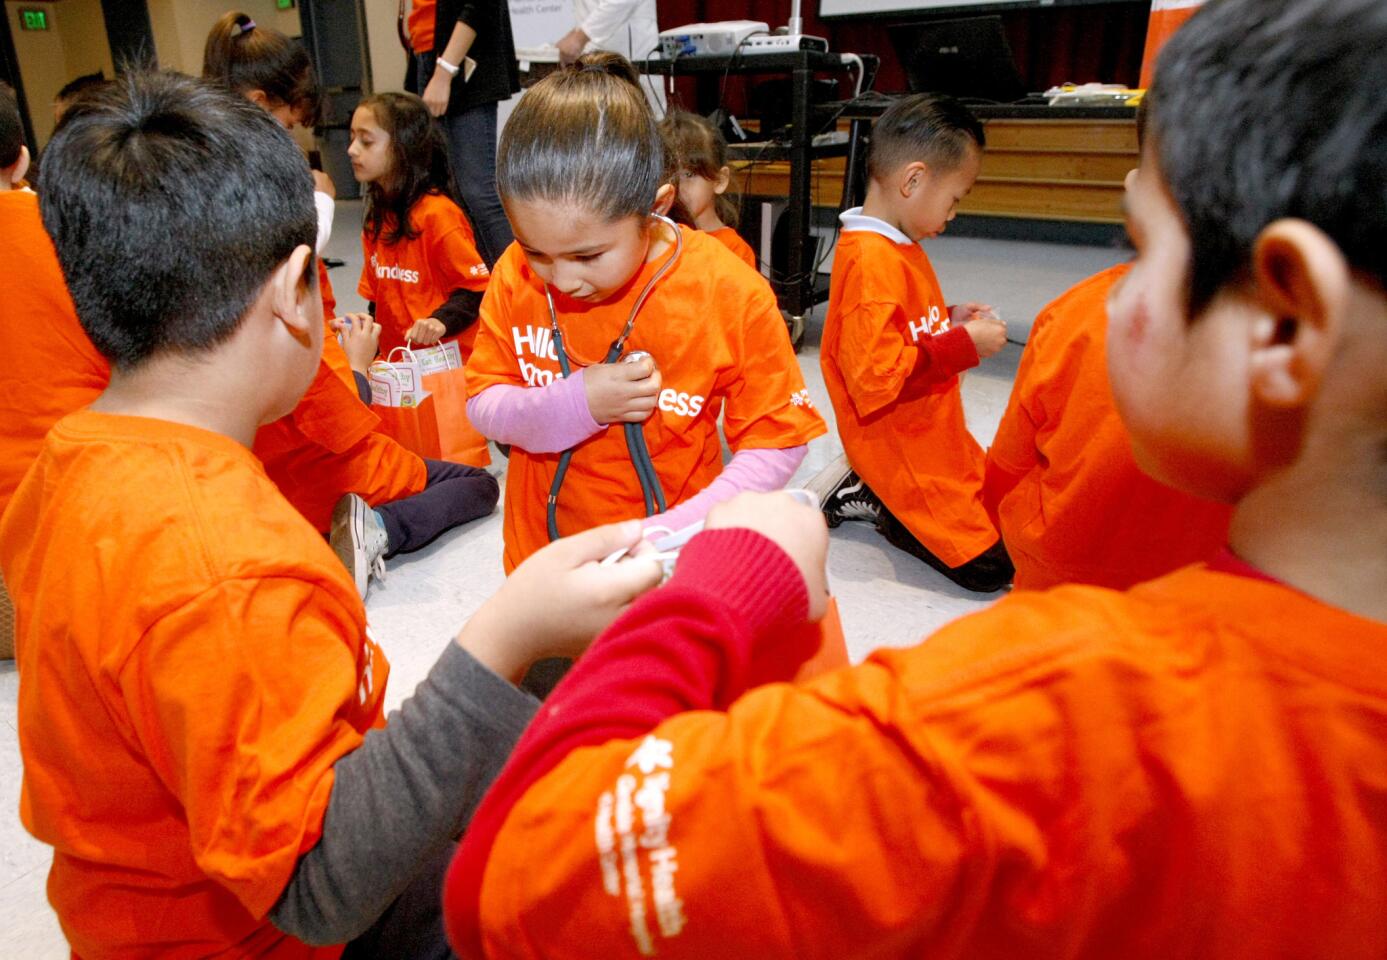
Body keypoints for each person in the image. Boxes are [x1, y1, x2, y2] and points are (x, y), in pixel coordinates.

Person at [442, 0, 1387, 956]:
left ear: (1285, 321)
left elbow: (531, 878)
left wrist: (712, 589)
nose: (1109, 294)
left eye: (1136, 246)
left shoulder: (1028, 708)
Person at [0, 69, 665, 959]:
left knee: (557, 705)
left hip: (166, 896)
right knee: (618, 861)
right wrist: (502, 636)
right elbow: (319, 889)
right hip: (279, 932)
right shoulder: (226, 565)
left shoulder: (73, 460)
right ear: (295, 288)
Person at [464, 58, 826, 575]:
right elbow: (482, 402)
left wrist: (667, 534)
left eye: (588, 256)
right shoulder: (512, 273)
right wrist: (576, 403)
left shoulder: (728, 289)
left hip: (666, 564)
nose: (561, 280)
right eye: (535, 252)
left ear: (655, 207)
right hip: (541, 565)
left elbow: (778, 442)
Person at [206, 12, 496, 595]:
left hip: (373, 397)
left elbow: (473, 289)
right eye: (292, 124)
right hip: (334, 431)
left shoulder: (434, 215)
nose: (351, 151)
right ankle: (378, 528)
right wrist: (358, 362)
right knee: (477, 485)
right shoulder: (336, 225)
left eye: (368, 140)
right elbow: (327, 397)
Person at [811, 93, 1013, 593]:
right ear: (914, 181)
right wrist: (964, 345)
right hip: (901, 450)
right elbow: (875, 377)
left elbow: (902, 326)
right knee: (992, 570)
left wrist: (949, 319)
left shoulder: (899, 245)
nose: (954, 213)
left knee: (1012, 515)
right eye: (955, 198)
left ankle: (878, 493)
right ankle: (883, 501)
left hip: (934, 435)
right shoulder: (871, 263)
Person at [984, 261, 1232, 588]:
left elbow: (1010, 461)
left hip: (1063, 571)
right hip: (1205, 581)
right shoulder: (1290, 331)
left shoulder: (1075, 310)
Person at [408, 0, 520, 267]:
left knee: (478, 192)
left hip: (458, 61)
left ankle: (520, 285)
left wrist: (445, 72)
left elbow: (479, 6)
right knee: (455, 194)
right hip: (428, 52)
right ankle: (488, 289)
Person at [659, 109, 757, 270]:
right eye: (667, 174)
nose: (676, 186)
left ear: (720, 180)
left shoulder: (733, 250)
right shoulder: (654, 242)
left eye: (688, 174)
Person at [556, 0, 663, 111]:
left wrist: (579, 38)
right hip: (593, 58)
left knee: (635, 118)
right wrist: (576, 34)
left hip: (628, 55)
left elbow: (619, 2)